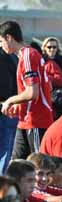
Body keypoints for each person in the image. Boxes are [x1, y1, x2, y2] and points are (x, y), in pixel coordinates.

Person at [0, 21, 53, 160]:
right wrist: (20, 104)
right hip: (25, 120)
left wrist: (11, 100)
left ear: (9, 38)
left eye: (1, 41)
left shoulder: (28, 55)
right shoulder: (26, 55)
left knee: (40, 165)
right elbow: (47, 87)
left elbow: (32, 93)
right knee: (16, 167)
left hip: (36, 121)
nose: (0, 45)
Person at [0, 44, 18, 174]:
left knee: (5, 151)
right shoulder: (10, 56)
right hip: (9, 108)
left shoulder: (8, 56)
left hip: (7, 109)